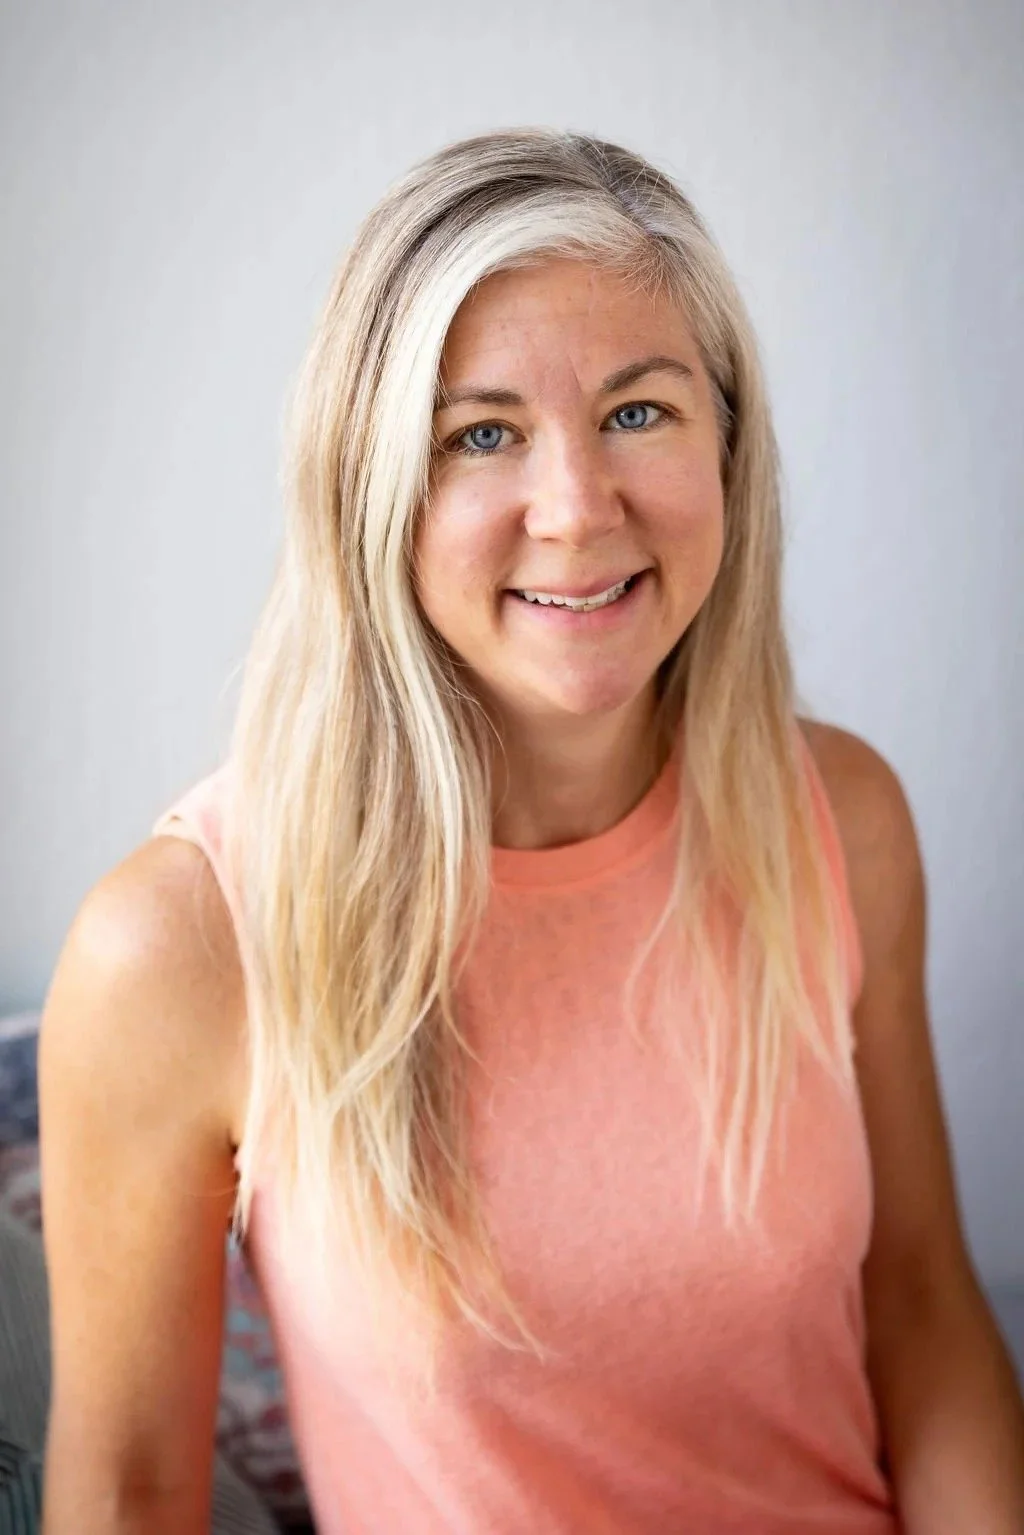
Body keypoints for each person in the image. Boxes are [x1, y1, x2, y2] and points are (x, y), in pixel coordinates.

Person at [36, 128, 1024, 1534]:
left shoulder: (842, 819)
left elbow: (923, 1313)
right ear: (371, 491)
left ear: (729, 449)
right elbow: (131, 1490)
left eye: (639, 411)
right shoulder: (183, 945)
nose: (576, 509)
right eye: (481, 434)